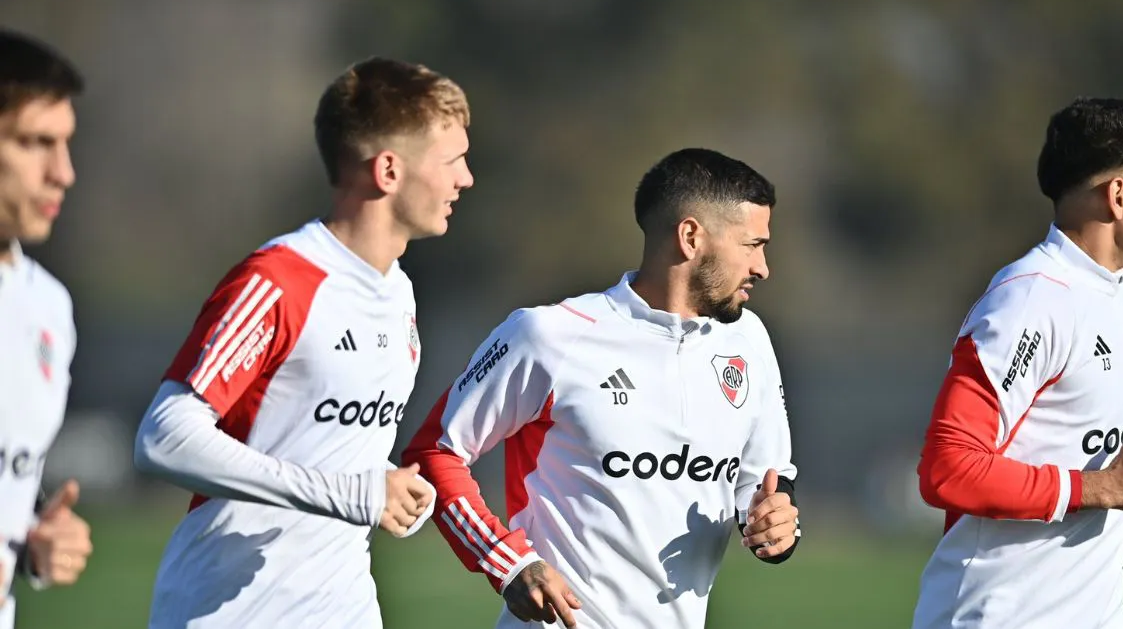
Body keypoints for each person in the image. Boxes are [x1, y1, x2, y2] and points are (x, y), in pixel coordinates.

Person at [132, 57, 474, 628]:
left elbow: (323, 449)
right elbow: (164, 437)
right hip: (231, 613)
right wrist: (353, 493)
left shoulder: (400, 294)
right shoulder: (279, 281)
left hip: (345, 608)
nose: (466, 178)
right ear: (388, 171)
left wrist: (389, 488)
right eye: (452, 161)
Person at [401, 148, 800, 629]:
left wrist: (775, 525)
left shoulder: (749, 340)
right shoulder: (551, 335)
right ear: (691, 236)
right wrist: (506, 563)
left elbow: (763, 488)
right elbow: (435, 453)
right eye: (752, 245)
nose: (763, 268)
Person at [913, 97, 1123, 628]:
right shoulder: (1028, 300)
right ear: (1118, 195)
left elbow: (1088, 463)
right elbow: (947, 469)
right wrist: (1105, 489)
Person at [0, 28, 95, 628]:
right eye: (36, 142)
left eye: (65, 144)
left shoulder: (48, 307)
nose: (63, 172)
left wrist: (34, 536)